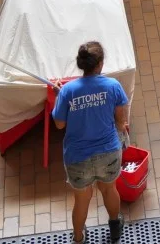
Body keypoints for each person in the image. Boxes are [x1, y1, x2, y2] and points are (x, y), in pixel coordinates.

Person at [52, 41, 130, 244]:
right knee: (109, 189)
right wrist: (122, 127)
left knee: (82, 199)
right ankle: (115, 226)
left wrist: (59, 97)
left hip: (78, 158)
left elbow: (59, 124)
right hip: (109, 153)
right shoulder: (113, 86)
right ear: (100, 64)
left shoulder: (68, 91)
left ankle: (78, 238)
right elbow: (120, 121)